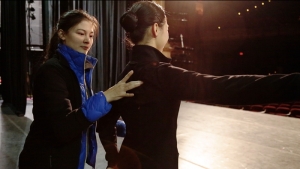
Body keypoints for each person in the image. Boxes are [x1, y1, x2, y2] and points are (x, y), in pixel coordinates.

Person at [97, 1, 300, 169]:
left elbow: (105, 123)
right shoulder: (162, 74)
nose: (169, 30)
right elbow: (223, 88)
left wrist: (113, 156)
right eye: (167, 26)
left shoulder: (126, 73)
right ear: (156, 29)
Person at [18, 9, 143, 169]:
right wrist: (105, 97)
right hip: (47, 161)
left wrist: (123, 126)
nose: (87, 40)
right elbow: (64, 127)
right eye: (81, 33)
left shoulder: (79, 71)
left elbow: (81, 115)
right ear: (62, 34)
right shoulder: (51, 71)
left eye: (91, 35)